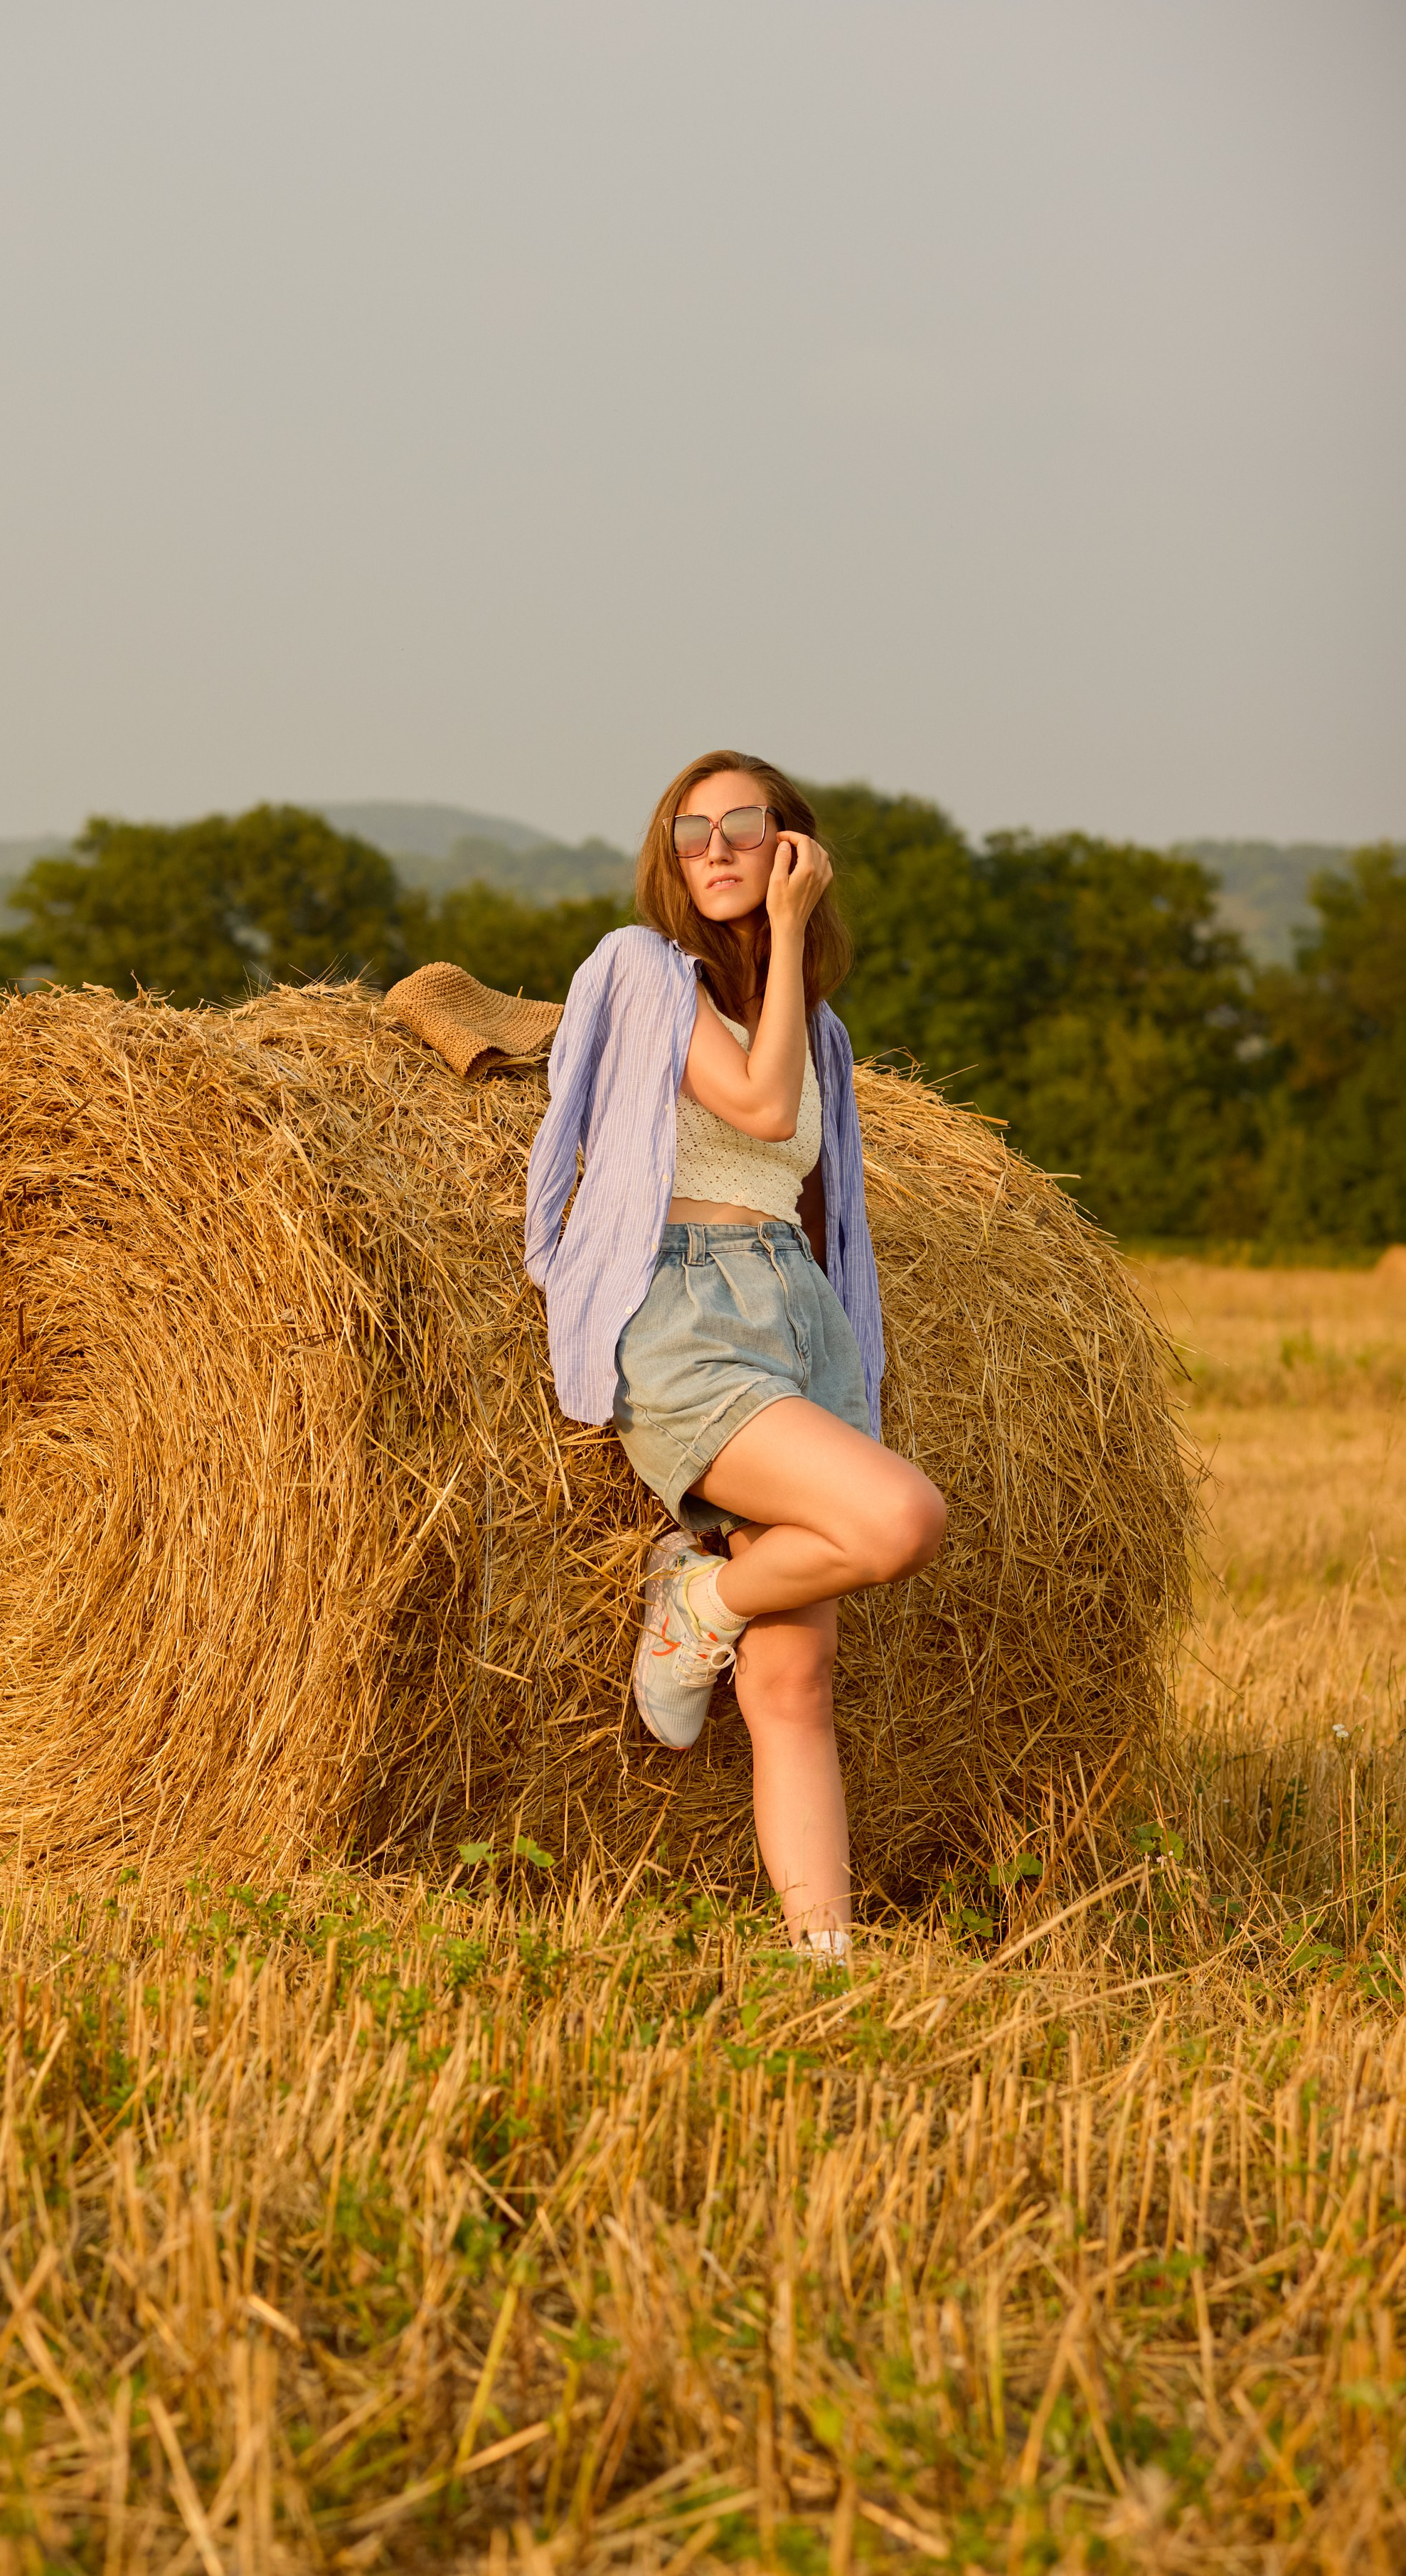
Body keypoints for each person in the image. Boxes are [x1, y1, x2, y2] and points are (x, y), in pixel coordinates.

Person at [524, 753, 946, 1958]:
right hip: (691, 1318)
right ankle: (696, 1594)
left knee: (790, 1686)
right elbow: (759, 1113)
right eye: (689, 827)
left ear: (791, 843)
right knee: (900, 1519)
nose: (714, 846)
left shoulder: (813, 1028)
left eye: (743, 826)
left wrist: (849, 1351)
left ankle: (828, 1968)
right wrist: (797, 927)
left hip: (795, 1317)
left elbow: (821, 1197)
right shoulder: (646, 972)